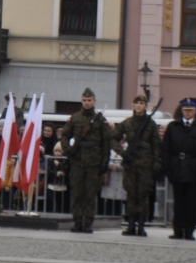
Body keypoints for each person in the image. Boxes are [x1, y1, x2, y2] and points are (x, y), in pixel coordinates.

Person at [111, 93, 161, 237]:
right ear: (133, 105)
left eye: (142, 103)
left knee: (143, 196)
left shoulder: (150, 124)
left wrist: (156, 165)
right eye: (137, 103)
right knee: (131, 195)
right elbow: (113, 139)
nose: (139, 106)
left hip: (146, 165)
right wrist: (122, 153)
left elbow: (157, 146)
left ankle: (141, 226)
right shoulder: (127, 123)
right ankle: (131, 225)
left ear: (145, 106)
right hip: (131, 164)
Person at [161, 98, 196, 240]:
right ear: (182, 111)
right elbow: (166, 149)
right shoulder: (173, 127)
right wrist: (168, 168)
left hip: (193, 169)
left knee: (192, 203)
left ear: (195, 111)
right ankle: (178, 230)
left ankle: (189, 231)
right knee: (178, 202)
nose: (188, 113)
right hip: (177, 167)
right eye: (185, 110)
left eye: (190, 110)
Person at [63, 88, 111, 233]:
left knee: (90, 195)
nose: (87, 103)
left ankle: (88, 223)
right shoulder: (75, 118)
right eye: (84, 100)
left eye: (89, 100)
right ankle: (77, 222)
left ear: (94, 101)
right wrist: (68, 149)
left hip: (93, 163)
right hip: (77, 162)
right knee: (77, 194)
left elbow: (106, 143)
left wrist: (104, 162)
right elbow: (65, 135)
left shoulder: (100, 120)